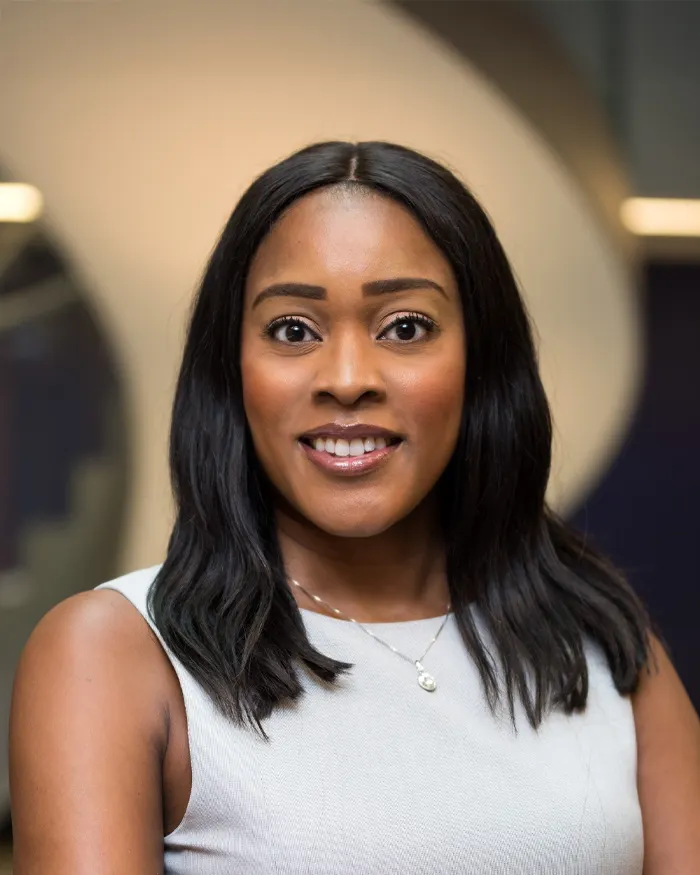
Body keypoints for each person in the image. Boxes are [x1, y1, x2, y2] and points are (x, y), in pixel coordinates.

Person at [9, 141, 700, 874]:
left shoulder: (600, 640)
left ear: (480, 361)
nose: (347, 378)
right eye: (292, 329)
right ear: (232, 370)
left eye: (405, 326)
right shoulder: (116, 653)